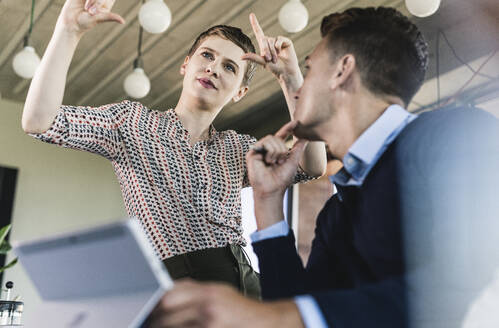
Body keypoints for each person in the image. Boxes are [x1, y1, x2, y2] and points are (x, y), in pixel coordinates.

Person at [147, 6, 499, 328]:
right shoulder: (337, 213)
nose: (299, 82)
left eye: (310, 68)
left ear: (342, 71)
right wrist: (269, 204)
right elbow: (298, 306)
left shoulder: (457, 135)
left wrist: (273, 316)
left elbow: (472, 287)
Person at [21, 0, 327, 299]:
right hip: (178, 292)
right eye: (207, 55)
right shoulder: (132, 123)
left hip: (245, 290)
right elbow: (40, 121)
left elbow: (312, 165)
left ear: (240, 92)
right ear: (185, 64)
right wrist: (68, 30)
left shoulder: (238, 148)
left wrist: (290, 79)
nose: (213, 68)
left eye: (230, 67)